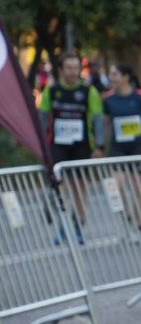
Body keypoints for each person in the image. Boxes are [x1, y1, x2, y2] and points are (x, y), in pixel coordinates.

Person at [38, 53, 103, 239]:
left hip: (81, 145)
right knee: (60, 185)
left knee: (80, 186)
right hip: (58, 145)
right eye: (69, 68)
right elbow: (43, 118)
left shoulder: (88, 91)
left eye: (76, 68)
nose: (73, 72)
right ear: (61, 70)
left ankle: (78, 225)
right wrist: (41, 145)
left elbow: (97, 119)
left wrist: (99, 146)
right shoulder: (51, 91)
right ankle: (63, 225)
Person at [102, 64, 141, 236]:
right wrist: (102, 148)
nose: (111, 78)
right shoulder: (108, 99)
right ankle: (127, 216)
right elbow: (106, 126)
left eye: (115, 74)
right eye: (110, 74)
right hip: (118, 146)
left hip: (139, 145)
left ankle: (139, 222)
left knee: (137, 187)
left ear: (126, 77)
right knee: (117, 185)